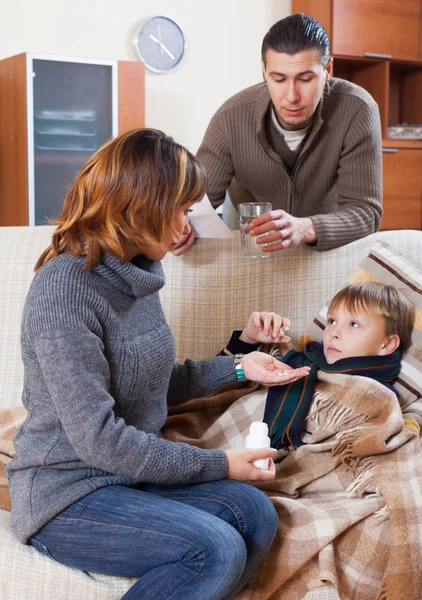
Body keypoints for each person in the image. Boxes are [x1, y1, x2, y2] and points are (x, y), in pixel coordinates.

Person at [7, 129, 312, 600]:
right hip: (67, 494)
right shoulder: (65, 290)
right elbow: (100, 439)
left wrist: (239, 367)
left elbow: (148, 384)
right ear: (139, 205)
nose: (185, 224)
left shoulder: (137, 272)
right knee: (215, 549)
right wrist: (221, 464)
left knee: (255, 514)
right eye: (180, 208)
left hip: (130, 477)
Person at [173, 14, 383, 256]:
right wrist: (181, 226)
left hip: (325, 242)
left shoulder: (357, 109)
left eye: (305, 79)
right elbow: (195, 202)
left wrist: (305, 227)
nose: (292, 96)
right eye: (279, 79)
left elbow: (366, 213)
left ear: (327, 70)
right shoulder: (230, 117)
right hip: (253, 238)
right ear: (264, 71)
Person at [220, 281, 417, 448]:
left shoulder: (377, 398)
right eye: (331, 321)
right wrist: (248, 339)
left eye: (353, 324)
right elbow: (215, 385)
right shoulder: (291, 360)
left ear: (387, 344)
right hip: (220, 443)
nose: (334, 332)